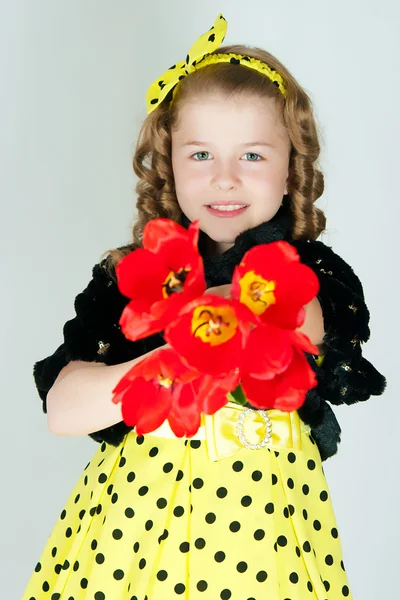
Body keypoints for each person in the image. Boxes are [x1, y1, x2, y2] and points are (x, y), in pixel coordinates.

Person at [23, 13, 386, 600]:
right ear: (168, 161)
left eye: (251, 157)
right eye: (200, 155)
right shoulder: (129, 274)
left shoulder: (311, 276)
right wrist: (160, 364)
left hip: (262, 544)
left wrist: (227, 306)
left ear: (290, 170)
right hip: (133, 537)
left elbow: (305, 328)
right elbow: (62, 410)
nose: (223, 179)